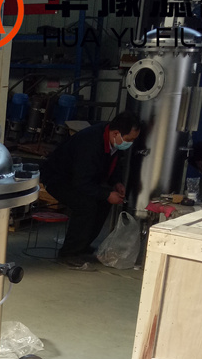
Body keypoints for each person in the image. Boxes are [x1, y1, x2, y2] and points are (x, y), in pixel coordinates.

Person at [41, 111, 141, 268]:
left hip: (80, 179)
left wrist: (116, 183)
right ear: (116, 133)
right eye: (129, 139)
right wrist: (107, 194)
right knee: (86, 205)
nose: (130, 143)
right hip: (58, 179)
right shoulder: (91, 144)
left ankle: (82, 245)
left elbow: (113, 163)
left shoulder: (112, 140)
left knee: (104, 203)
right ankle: (68, 253)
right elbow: (81, 182)